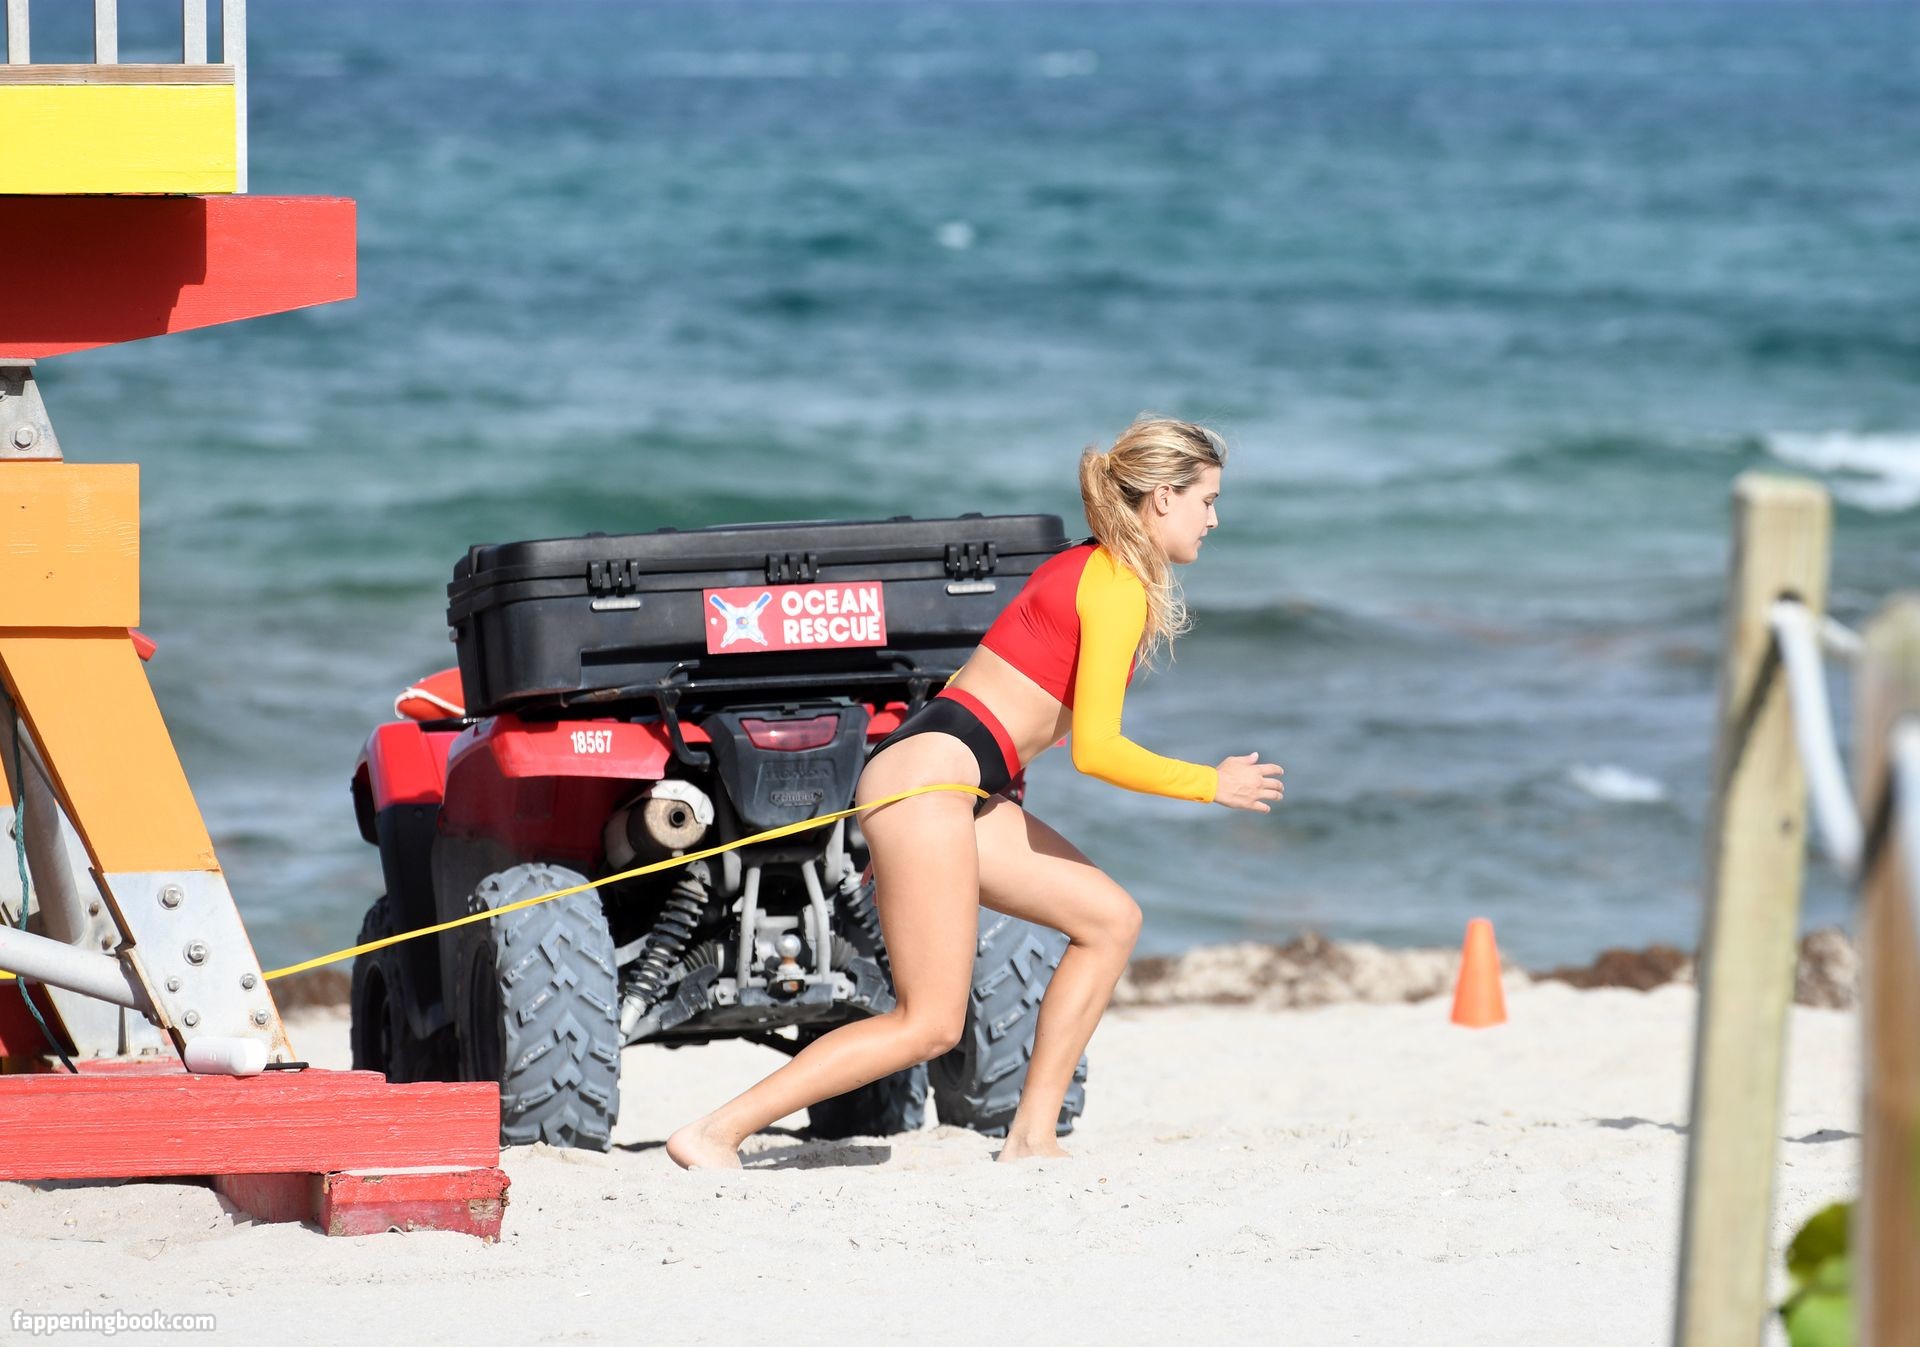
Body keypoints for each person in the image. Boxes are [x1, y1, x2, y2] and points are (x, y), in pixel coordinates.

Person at [665, 416, 1285, 1169]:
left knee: (1110, 920)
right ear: (1162, 498)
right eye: (1207, 500)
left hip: (949, 786)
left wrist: (964, 799)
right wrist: (1211, 783)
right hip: (930, 785)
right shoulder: (1117, 586)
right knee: (928, 1025)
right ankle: (714, 1132)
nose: (1213, 519)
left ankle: (1031, 1137)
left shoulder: (1083, 564)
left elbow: (977, 685)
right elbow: (1097, 750)